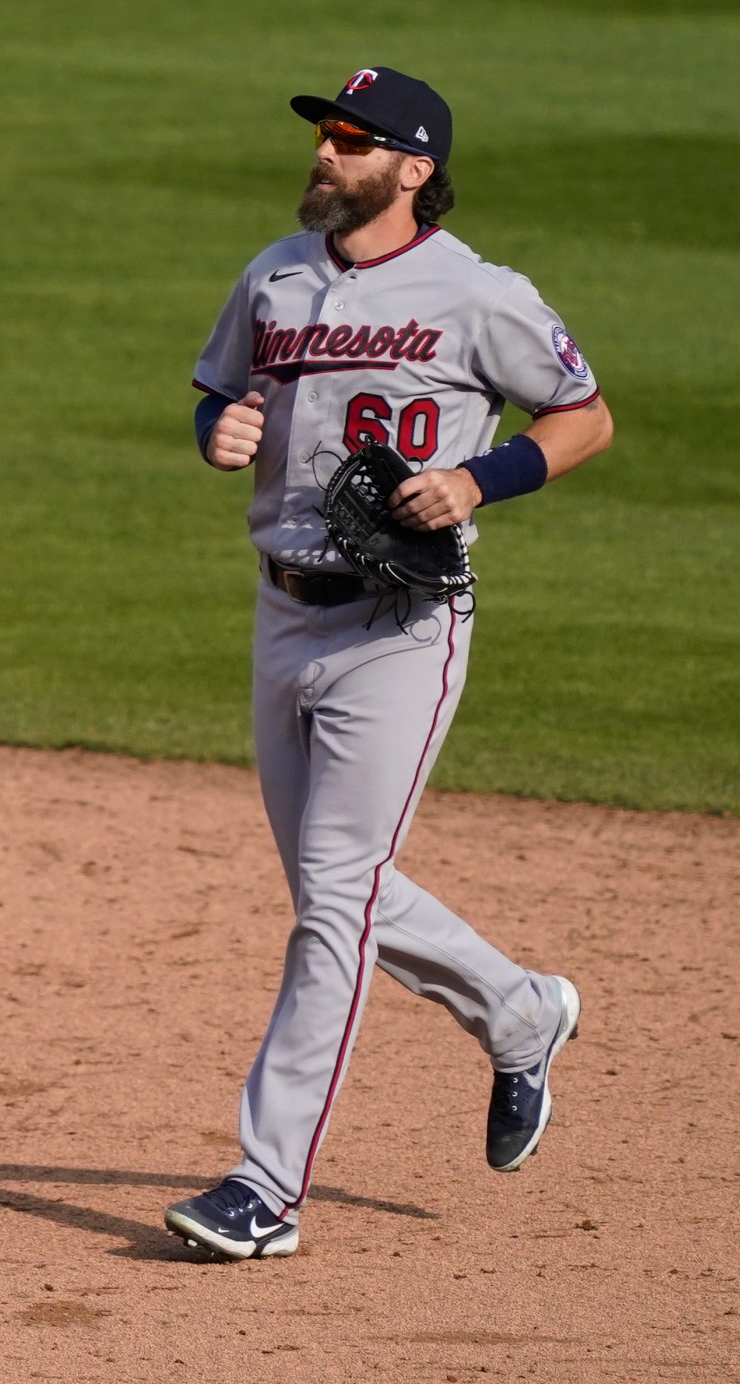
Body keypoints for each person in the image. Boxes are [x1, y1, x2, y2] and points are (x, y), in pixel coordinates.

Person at [165, 67, 613, 1261]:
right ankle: (519, 1013)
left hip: (398, 628)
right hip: (282, 613)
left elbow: (581, 414)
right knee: (338, 890)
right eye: (322, 132)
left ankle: (266, 1189)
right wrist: (218, 427)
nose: (324, 151)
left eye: (350, 139)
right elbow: (216, 386)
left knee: (331, 902)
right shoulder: (274, 273)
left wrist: (478, 478)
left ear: (411, 169)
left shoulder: (479, 296)